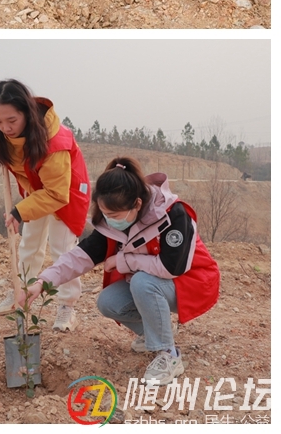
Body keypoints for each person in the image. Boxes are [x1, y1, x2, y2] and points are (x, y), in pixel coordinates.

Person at [20, 157, 220, 386]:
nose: (109, 221)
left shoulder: (173, 215)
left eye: (113, 216)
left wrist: (124, 261)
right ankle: (153, 334)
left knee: (142, 282)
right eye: (105, 214)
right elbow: (79, 257)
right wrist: (42, 281)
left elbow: (171, 267)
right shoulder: (114, 222)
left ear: (136, 204)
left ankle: (169, 355)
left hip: (193, 282)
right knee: (108, 302)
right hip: (158, 284)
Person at [0, 79, 90, 332]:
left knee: (62, 248)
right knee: (30, 243)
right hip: (36, 187)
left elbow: (56, 194)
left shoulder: (53, 143)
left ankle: (67, 306)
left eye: (11, 121)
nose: (5, 128)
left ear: (28, 112)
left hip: (65, 189)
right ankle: (21, 294)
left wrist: (18, 211)